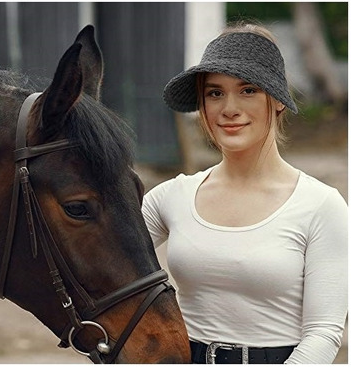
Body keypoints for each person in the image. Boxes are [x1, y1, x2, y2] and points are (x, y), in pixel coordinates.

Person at [141, 21, 348, 364]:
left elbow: (323, 334)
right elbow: (96, 261)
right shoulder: (170, 197)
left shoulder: (321, 206)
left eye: (248, 89)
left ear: (278, 100)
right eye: (214, 93)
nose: (229, 108)